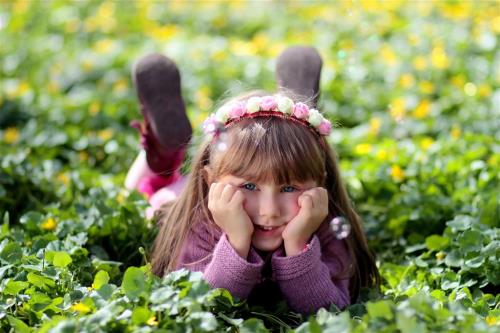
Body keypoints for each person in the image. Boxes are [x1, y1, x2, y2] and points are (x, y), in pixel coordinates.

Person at [128, 47, 379, 314]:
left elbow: (332, 311)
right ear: (210, 180)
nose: (269, 210)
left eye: (289, 187)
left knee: (282, 151)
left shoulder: (322, 222)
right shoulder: (199, 221)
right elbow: (202, 308)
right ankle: (162, 154)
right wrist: (236, 242)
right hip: (175, 192)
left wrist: (297, 246)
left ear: (320, 185)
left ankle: (294, 121)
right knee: (148, 192)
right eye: (249, 186)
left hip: (253, 165)